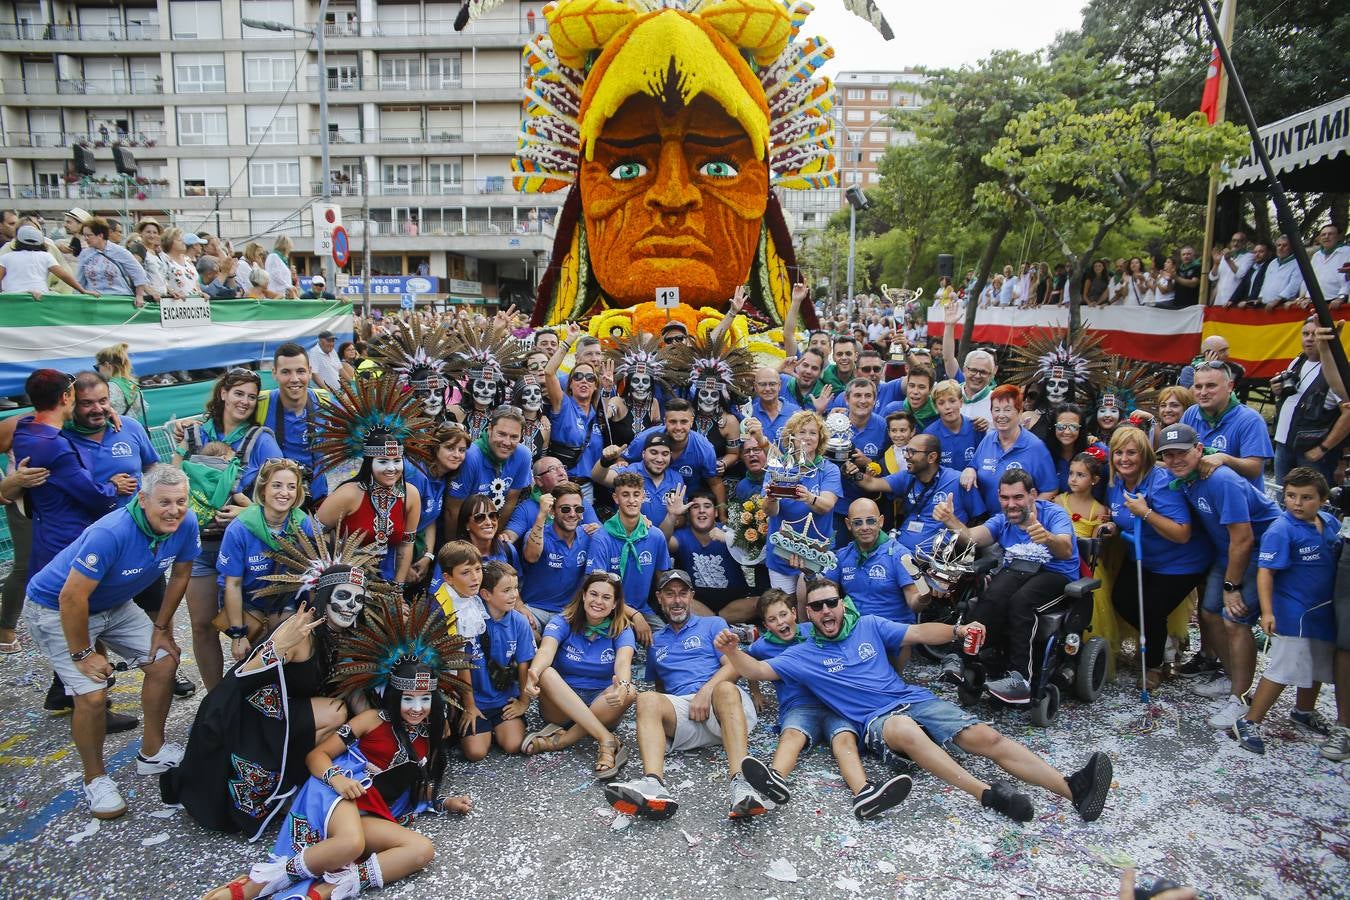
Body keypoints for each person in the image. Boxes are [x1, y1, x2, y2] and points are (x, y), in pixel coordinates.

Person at [715, 578, 1114, 824]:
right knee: (904, 729)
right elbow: (757, 672)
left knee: (985, 739)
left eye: (831, 602)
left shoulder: (869, 625)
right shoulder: (802, 653)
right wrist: (732, 651)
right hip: (875, 721)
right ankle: (986, 795)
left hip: (910, 698)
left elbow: (920, 635)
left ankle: (1072, 789)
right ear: (810, 614)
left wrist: (959, 630)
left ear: (842, 603)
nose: (825, 611)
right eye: (816, 606)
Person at [199, 593, 470, 900]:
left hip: (372, 812)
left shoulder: (432, 735)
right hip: (338, 794)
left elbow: (416, 787)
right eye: (408, 698)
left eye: (424, 699)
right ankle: (257, 884)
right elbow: (317, 755)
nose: (417, 708)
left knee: (421, 849)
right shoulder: (371, 719)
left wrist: (444, 802)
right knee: (351, 845)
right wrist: (337, 779)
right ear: (395, 697)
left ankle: (324, 892)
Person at [24, 464, 196, 819]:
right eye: (164, 502)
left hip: (112, 604)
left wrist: (162, 626)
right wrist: (84, 653)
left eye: (181, 501)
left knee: (164, 659)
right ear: (142, 499)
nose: (174, 510)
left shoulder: (186, 522)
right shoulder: (112, 532)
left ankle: (152, 750)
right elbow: (71, 598)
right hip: (56, 607)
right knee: (91, 695)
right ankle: (95, 779)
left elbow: (181, 573)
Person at [602, 569, 770, 820]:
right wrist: (660, 722)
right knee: (646, 698)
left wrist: (706, 691)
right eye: (670, 594)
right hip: (688, 716)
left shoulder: (713, 624)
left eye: (682, 593)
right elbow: (660, 689)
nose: (677, 600)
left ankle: (741, 784)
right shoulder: (656, 641)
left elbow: (734, 666)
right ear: (659, 598)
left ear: (692, 596)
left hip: (725, 706)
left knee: (724, 689)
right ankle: (653, 784)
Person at [739, 590, 912, 820]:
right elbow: (750, 663)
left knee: (845, 740)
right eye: (772, 619)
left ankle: (864, 792)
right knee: (791, 735)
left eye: (783, 615)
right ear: (766, 625)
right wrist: (755, 691)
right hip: (799, 706)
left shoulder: (814, 630)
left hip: (835, 704)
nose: (780, 622)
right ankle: (775, 778)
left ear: (794, 613)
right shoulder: (762, 646)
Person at [1157, 423, 1280, 732]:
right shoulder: (1184, 477)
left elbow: (1244, 539)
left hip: (1259, 552)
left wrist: (1231, 586)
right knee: (1209, 613)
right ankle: (1232, 677)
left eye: (1182, 453)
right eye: (1168, 455)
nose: (1174, 460)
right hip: (1227, 553)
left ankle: (1241, 698)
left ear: (1199, 450)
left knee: (1233, 619)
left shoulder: (1221, 480)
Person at [171, 368, 283, 690]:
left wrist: (247, 511)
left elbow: (282, 492)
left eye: (251, 396)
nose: (245, 402)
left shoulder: (260, 440)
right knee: (203, 625)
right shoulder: (193, 435)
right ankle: (214, 699)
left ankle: (253, 696)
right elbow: (173, 484)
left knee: (250, 626)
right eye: (238, 393)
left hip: (246, 548)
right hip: (198, 547)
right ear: (222, 393)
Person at [934, 469, 1079, 704]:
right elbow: (972, 537)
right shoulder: (1002, 520)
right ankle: (963, 657)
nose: (1011, 504)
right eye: (1005, 498)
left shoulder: (1053, 514)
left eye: (1018, 497)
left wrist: (1047, 537)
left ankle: (1021, 678)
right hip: (1018, 572)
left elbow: (1066, 549)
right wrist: (950, 519)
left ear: (1033, 495)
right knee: (992, 595)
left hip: (1055, 574)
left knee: (1021, 601)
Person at [1231, 468, 1340, 755]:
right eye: (1291, 496)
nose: (1297, 503)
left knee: (1317, 662)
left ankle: (1304, 710)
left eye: (1306, 497)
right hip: (1293, 612)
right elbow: (1265, 573)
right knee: (1283, 667)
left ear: (1323, 499)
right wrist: (1267, 612)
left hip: (1323, 610)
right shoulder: (1281, 530)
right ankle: (1250, 721)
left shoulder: (1329, 522)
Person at [1099, 427, 1208, 686]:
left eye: (1132, 453)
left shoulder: (1160, 482)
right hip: (1143, 556)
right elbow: (1119, 517)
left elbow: (1182, 533)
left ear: (1145, 455)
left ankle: (1155, 664)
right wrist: (1113, 525)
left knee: (1151, 610)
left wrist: (1145, 512)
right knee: (1122, 600)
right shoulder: (1116, 484)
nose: (1124, 459)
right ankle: (1163, 640)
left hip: (1180, 562)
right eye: (1118, 453)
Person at [521, 571, 636, 777]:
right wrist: (534, 672)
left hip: (601, 704)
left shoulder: (622, 628)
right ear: (583, 596)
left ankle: (564, 740)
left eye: (606, 597)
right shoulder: (563, 620)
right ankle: (606, 740)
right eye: (593, 594)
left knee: (629, 690)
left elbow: (623, 662)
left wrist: (623, 685)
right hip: (562, 706)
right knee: (546, 673)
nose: (598, 601)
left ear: (615, 603)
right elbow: (547, 649)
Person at [216, 459, 313, 663]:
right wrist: (237, 635)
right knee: (255, 657)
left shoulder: (303, 523)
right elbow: (232, 584)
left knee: (290, 646)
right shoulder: (240, 529)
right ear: (263, 490)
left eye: (291, 487)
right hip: (248, 603)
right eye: (276, 485)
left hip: (285, 602)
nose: (284, 493)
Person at [851, 432, 982, 554]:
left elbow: (979, 520)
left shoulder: (958, 481)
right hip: (900, 553)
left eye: (912, 452)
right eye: (906, 450)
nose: (906, 456)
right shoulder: (907, 477)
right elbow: (872, 483)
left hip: (937, 561)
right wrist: (851, 472)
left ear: (931, 457)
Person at [459, 562, 536, 761]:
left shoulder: (519, 622)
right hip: (477, 701)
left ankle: (498, 730)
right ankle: (481, 731)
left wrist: (523, 702)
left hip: (503, 699)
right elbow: (461, 666)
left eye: (516, 588)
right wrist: (469, 706)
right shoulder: (471, 620)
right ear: (486, 595)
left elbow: (524, 664)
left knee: (513, 745)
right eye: (506, 590)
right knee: (476, 753)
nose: (514, 595)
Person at [761, 410, 842, 594]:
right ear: (792, 437)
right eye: (802, 432)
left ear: (820, 438)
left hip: (815, 555)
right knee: (783, 608)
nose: (807, 437)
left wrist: (809, 497)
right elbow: (769, 511)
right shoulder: (777, 467)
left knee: (816, 608)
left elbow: (827, 505)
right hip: (780, 555)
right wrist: (771, 498)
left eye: (813, 433)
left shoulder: (828, 469)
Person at [587, 471, 670, 644]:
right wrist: (634, 615)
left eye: (636, 494)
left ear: (643, 497)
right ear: (616, 498)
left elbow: (662, 579)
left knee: (667, 642)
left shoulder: (655, 536)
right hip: (607, 612)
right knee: (619, 645)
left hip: (643, 609)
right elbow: (596, 589)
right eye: (625, 495)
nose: (631, 500)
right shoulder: (602, 537)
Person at [1270, 318, 1346, 486]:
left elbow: (1348, 413)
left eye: (1315, 334)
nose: (1310, 338)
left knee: (1312, 505)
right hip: (1284, 444)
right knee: (1282, 499)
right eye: (1306, 334)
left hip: (1312, 450)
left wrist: (1323, 448)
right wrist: (1278, 390)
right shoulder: (1298, 361)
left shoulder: (1337, 370)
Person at [254, 342, 329, 506]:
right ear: (274, 373)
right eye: (286, 372)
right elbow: (223, 417)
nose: (294, 379)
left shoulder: (327, 402)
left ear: (310, 372)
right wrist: (188, 424)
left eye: (300, 371)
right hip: (275, 502)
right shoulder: (260, 404)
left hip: (317, 500)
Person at [1180, 358, 1272, 491]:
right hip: (1202, 500)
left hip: (1242, 503)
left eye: (1211, 386)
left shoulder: (1250, 420)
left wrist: (1224, 459)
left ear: (1230, 386)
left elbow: (1255, 468)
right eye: (1198, 386)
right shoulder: (1191, 413)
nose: (1203, 392)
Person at [964, 384, 1058, 512]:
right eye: (996, 410)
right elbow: (974, 465)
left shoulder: (1035, 447)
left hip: (1019, 525)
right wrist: (969, 470)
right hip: (986, 523)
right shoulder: (988, 439)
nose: (1001, 415)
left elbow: (1050, 490)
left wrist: (1027, 514)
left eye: (1007, 410)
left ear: (1019, 412)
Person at [595, 433, 683, 530]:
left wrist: (675, 518)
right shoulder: (631, 471)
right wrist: (605, 460)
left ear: (670, 455)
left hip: (661, 540)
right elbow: (599, 478)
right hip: (628, 538)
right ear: (643, 454)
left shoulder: (677, 479)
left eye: (665, 454)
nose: (659, 459)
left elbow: (681, 516)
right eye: (654, 452)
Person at [941, 303, 997, 424]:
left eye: (983, 372)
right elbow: (948, 358)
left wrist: (991, 428)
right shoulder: (953, 392)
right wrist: (949, 326)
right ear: (965, 370)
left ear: (991, 374)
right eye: (973, 370)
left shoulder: (997, 400)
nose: (977, 376)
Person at [76, 216, 151, 305]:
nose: (85, 238)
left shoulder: (120, 251)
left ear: (100, 235)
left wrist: (139, 295)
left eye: (89, 235)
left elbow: (138, 273)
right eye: (84, 235)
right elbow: (79, 280)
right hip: (94, 301)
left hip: (118, 300)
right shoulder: (84, 254)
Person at [0, 224, 87, 299]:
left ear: (17, 241)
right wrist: (82, 290)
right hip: (39, 299)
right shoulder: (46, 256)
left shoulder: (6, 258)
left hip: (13, 299)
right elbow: (64, 276)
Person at [925, 378, 981, 472]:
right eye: (941, 403)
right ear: (936, 407)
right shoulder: (930, 434)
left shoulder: (976, 427)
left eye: (952, 401)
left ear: (961, 402)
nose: (947, 407)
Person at [94, 342, 148, 422]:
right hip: (131, 429)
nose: (98, 371)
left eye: (97, 367)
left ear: (106, 365)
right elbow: (142, 409)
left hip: (114, 430)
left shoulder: (109, 388)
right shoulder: (132, 385)